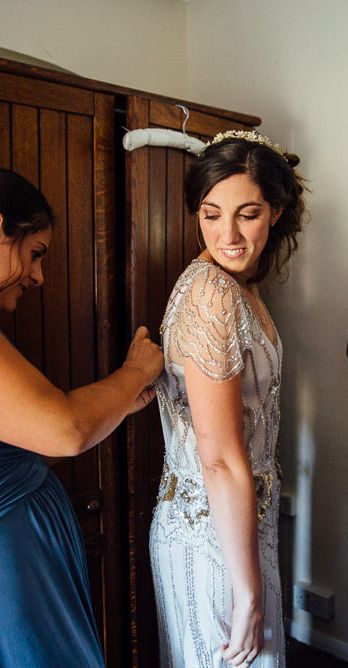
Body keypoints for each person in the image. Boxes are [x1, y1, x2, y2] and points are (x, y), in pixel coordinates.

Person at [150, 130, 305, 667]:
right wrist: (246, 593)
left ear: (277, 210)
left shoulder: (236, 282)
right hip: (212, 531)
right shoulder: (212, 294)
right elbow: (217, 458)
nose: (229, 233)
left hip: (236, 520)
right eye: (212, 214)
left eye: (248, 213)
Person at [0, 168, 163, 667]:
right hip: (13, 561)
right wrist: (136, 372)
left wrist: (118, 401)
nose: (38, 276)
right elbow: (63, 430)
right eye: (35, 253)